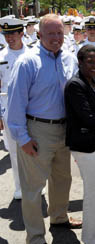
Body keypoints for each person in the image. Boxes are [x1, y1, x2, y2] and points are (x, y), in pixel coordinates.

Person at [7, 14, 81, 244]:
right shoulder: (27, 62)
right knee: (32, 188)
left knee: (62, 179)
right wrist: (23, 138)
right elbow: (15, 104)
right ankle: (36, 236)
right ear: (39, 34)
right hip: (37, 130)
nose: (56, 38)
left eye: (59, 33)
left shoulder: (70, 59)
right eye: (51, 33)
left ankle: (59, 217)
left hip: (64, 130)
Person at [64, 44, 95, 244]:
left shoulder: (93, 80)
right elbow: (87, 118)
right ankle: (92, 238)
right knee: (93, 190)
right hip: (85, 145)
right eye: (90, 61)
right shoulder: (75, 85)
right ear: (80, 62)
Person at [0, 18, 29, 200]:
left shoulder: (33, 53)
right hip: (8, 108)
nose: (9, 38)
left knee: (33, 149)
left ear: (21, 33)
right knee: (14, 151)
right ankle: (19, 187)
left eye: (13, 34)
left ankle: (35, 184)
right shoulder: (1, 57)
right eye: (6, 34)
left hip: (31, 108)